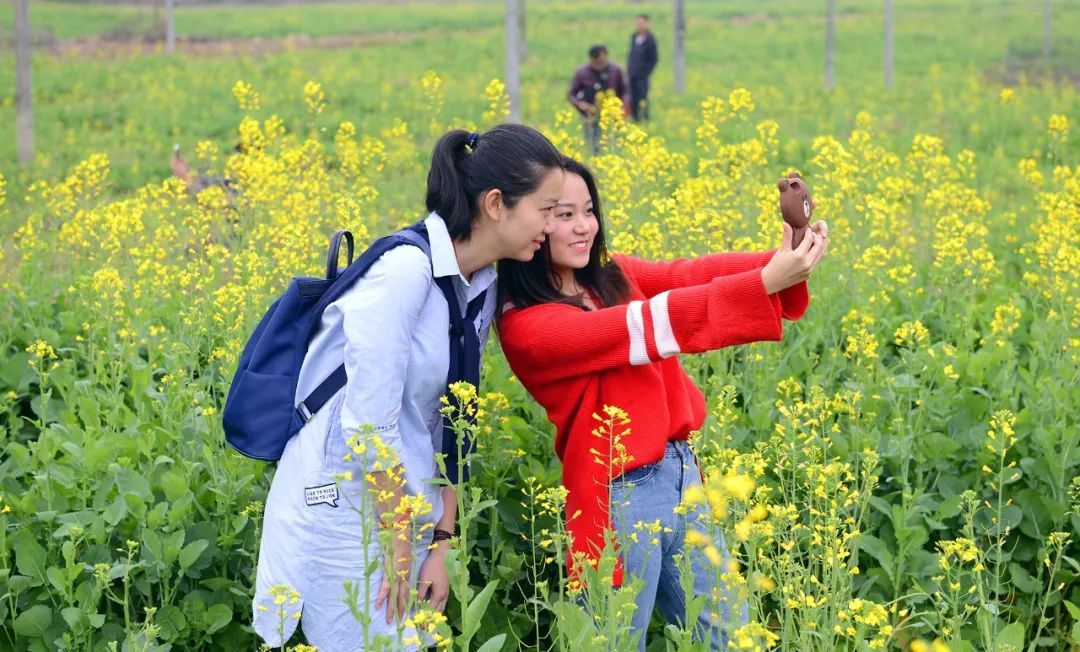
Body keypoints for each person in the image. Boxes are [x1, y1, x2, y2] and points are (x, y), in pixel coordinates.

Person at [253, 125, 564, 651]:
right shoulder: (404, 272)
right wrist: (400, 540)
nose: (552, 226)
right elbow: (366, 422)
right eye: (547, 209)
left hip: (404, 505)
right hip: (343, 506)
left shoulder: (479, 284)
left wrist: (440, 541)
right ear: (495, 204)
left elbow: (453, 420)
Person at [497, 158, 829, 650]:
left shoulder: (607, 276)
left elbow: (685, 276)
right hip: (618, 499)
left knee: (735, 639)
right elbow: (647, 326)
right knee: (613, 643)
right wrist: (764, 283)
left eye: (589, 211)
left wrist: (785, 254)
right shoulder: (529, 326)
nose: (585, 226)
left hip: (682, 477)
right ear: (534, 220)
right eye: (564, 214)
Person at [568, 44, 629, 153]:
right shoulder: (582, 72)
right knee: (593, 146)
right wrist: (580, 104)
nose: (602, 64)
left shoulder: (615, 70)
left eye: (604, 61)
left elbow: (625, 91)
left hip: (612, 116)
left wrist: (621, 107)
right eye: (599, 62)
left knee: (614, 145)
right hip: (591, 115)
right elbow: (571, 94)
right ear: (592, 59)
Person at [627, 14, 658, 121]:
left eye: (642, 23)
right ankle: (635, 118)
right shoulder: (634, 37)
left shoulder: (650, 39)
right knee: (633, 97)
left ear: (647, 23)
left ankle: (644, 118)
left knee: (642, 97)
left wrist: (646, 72)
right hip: (632, 73)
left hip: (643, 75)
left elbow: (654, 59)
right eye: (638, 23)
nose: (640, 25)